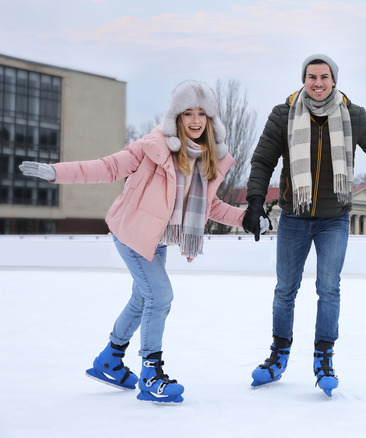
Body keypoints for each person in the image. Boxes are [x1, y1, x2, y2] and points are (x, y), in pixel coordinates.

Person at [18, 81, 254, 403]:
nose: (195, 120)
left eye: (202, 113)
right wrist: (55, 173)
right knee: (160, 296)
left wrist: (246, 218)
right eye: (188, 113)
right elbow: (108, 167)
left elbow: (209, 206)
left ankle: (110, 361)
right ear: (176, 117)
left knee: (142, 300)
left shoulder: (208, 160)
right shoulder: (151, 147)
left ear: (211, 119)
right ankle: (150, 374)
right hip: (130, 232)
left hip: (156, 241)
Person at [243, 54, 366, 396]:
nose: (317, 83)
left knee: (328, 288)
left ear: (334, 79)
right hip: (294, 216)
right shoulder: (284, 115)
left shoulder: (354, 116)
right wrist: (255, 201)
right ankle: (278, 355)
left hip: (334, 219)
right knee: (285, 290)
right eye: (311, 76)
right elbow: (263, 159)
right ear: (303, 79)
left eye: (323, 76)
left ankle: (324, 357)